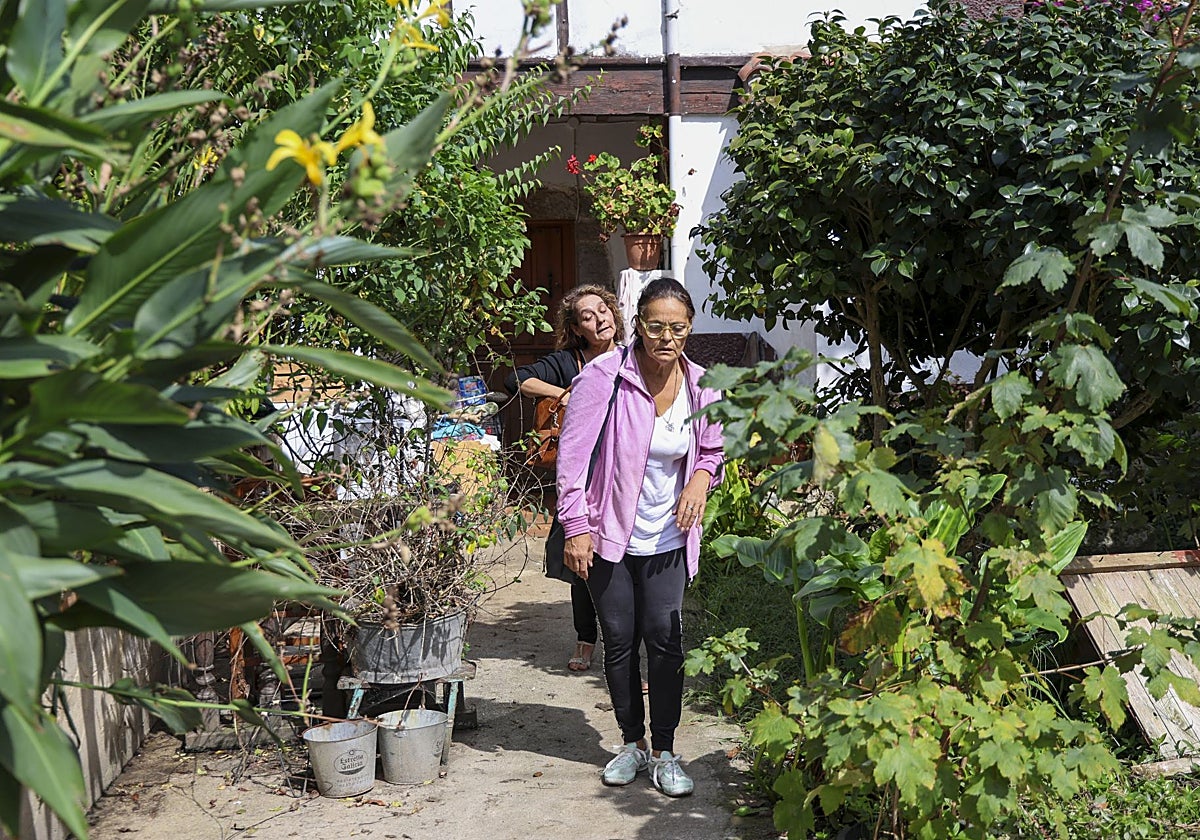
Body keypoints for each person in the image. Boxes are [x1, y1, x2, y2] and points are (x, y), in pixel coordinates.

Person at [556, 277, 724, 798]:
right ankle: (630, 743)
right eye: (655, 326)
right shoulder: (603, 379)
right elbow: (571, 462)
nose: (666, 338)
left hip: (669, 537)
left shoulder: (702, 385)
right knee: (621, 642)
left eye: (677, 328)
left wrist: (699, 478)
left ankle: (665, 751)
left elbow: (713, 453)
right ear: (639, 325)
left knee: (667, 643)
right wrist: (576, 527)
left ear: (689, 329)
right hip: (608, 537)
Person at [504, 284, 626, 673]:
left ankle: (622, 648)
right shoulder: (569, 362)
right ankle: (585, 638)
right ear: (576, 329)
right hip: (581, 472)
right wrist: (568, 393)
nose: (600, 318)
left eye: (603, 309)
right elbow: (515, 380)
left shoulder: (631, 358)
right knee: (582, 559)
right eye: (588, 316)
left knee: (626, 559)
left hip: (623, 471)